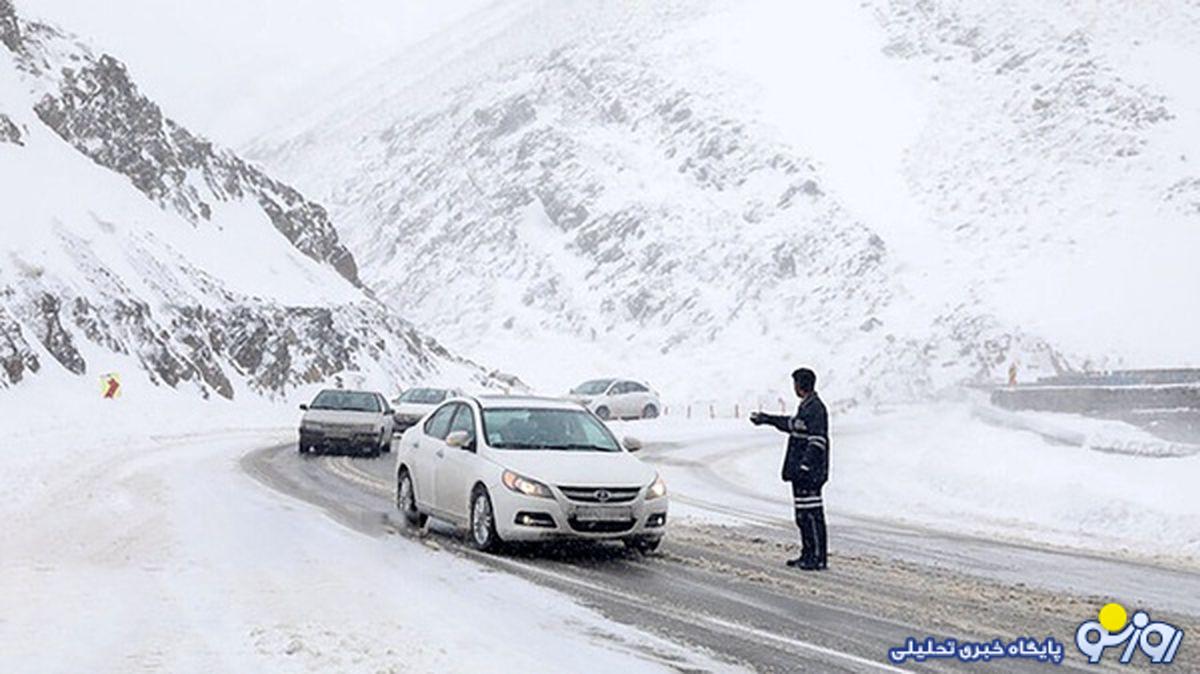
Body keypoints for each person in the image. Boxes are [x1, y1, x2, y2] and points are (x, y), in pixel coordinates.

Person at [749, 367, 829, 570]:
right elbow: (791, 425)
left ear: (800, 386)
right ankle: (807, 553)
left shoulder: (816, 408)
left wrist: (806, 465)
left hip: (810, 473)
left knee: (812, 515)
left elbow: (817, 441)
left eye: (795, 383)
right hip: (801, 473)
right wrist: (767, 419)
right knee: (802, 516)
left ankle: (817, 557)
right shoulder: (806, 407)